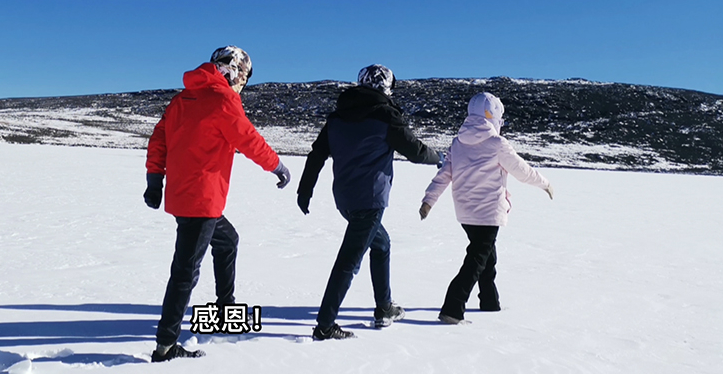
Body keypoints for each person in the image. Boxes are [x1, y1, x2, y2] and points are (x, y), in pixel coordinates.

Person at [143, 46, 291, 361]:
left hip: (185, 196)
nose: (243, 84)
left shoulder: (182, 99)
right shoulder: (223, 100)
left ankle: (225, 309)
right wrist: (277, 166)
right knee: (185, 272)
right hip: (203, 200)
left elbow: (158, 140)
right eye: (244, 77)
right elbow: (248, 139)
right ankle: (165, 346)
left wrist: (155, 181)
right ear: (235, 72)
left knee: (227, 240)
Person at [297, 64, 442, 340]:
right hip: (370, 200)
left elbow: (317, 154)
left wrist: (305, 190)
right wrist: (439, 158)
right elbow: (415, 151)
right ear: (387, 87)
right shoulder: (386, 116)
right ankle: (325, 325)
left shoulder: (338, 117)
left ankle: (384, 307)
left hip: (345, 199)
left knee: (381, 244)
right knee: (349, 261)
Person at [419, 92, 554, 324]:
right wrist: (545, 184)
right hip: (489, 212)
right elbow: (522, 171)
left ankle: (490, 302)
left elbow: (444, 175)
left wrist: (429, 200)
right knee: (477, 259)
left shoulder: (458, 143)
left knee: (486, 256)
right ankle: (452, 309)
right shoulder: (497, 144)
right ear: (493, 116)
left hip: (465, 212)